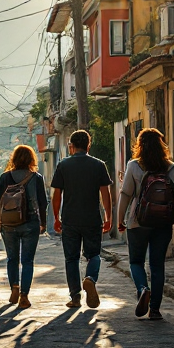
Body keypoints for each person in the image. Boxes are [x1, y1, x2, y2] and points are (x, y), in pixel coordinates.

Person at [117, 128, 174, 320]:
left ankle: (143, 289)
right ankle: (155, 310)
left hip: (138, 221)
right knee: (157, 265)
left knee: (136, 261)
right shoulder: (171, 167)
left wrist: (120, 219)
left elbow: (126, 194)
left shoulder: (134, 166)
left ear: (139, 145)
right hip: (163, 223)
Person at [50, 130, 113, 308]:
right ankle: (91, 278)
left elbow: (57, 195)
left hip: (70, 219)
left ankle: (75, 297)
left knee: (71, 258)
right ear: (88, 145)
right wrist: (108, 216)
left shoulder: (63, 165)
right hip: (92, 218)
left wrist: (56, 217)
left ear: (72, 146)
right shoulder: (99, 165)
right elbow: (105, 194)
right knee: (93, 254)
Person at [0, 145, 48, 309]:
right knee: (27, 261)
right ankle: (24, 295)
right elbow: (42, 203)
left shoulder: (5, 177)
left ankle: (14, 286)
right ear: (31, 159)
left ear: (13, 158)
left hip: (8, 223)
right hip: (30, 223)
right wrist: (43, 222)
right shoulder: (36, 177)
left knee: (12, 258)